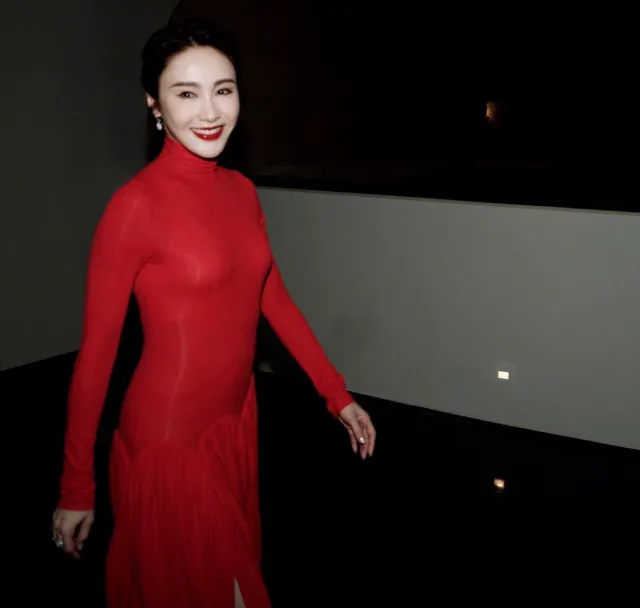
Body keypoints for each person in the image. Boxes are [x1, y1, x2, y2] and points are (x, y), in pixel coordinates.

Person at [51, 17, 376, 608]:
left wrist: (337, 393)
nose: (210, 112)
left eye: (223, 90)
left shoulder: (242, 192)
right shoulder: (134, 208)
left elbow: (273, 299)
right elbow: (95, 360)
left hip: (235, 421)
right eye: (186, 93)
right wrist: (77, 485)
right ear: (154, 105)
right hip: (169, 442)